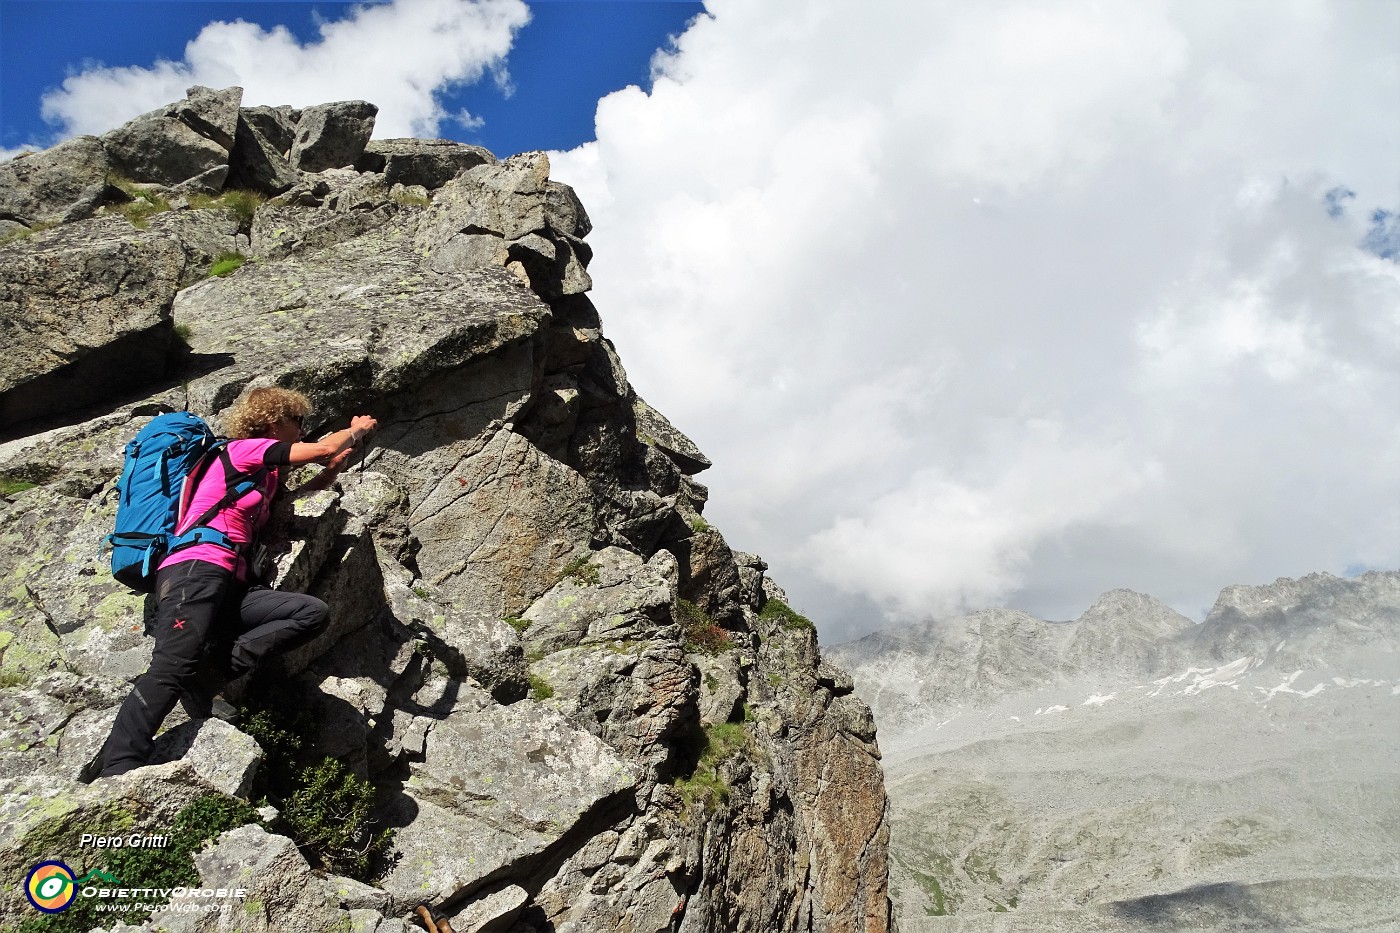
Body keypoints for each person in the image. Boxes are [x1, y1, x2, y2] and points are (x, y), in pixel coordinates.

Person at [97, 387, 377, 778]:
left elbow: (290, 498)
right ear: (276, 421)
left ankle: (209, 670)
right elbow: (320, 448)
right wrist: (356, 431)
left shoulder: (263, 476)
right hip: (195, 569)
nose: (301, 430)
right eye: (299, 422)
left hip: (234, 583)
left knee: (310, 613)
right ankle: (118, 765)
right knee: (170, 666)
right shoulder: (241, 451)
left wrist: (330, 475)